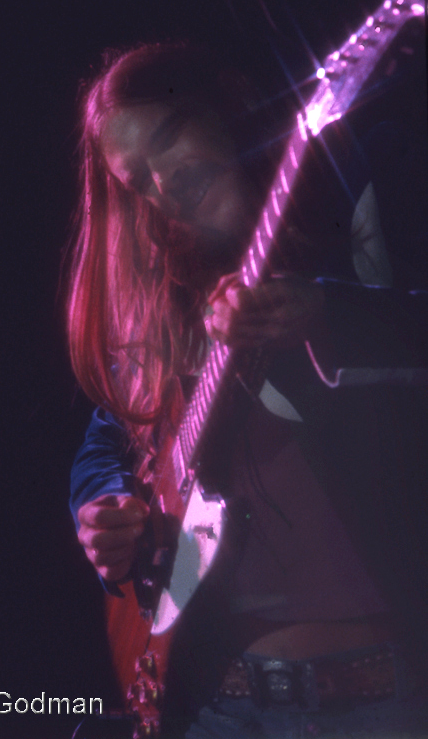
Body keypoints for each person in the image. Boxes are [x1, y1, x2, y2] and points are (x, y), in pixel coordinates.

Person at [66, 41, 428, 737]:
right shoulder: (161, 288)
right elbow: (109, 426)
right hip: (214, 704)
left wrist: (328, 311)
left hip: (380, 698)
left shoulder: (363, 193)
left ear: (230, 101)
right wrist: (99, 501)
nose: (165, 185)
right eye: (137, 179)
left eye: (171, 144)